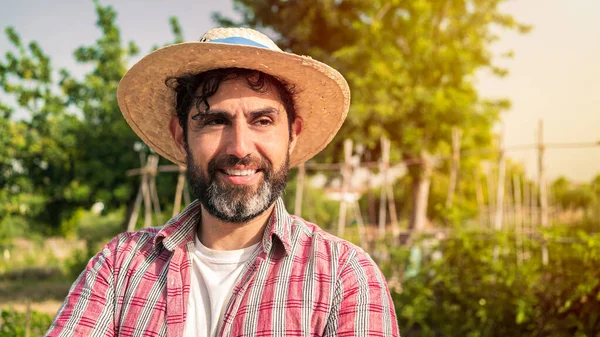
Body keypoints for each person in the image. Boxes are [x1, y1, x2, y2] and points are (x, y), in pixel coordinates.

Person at [46, 27, 400, 337]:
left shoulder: (344, 277)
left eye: (262, 120)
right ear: (181, 136)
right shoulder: (120, 267)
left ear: (292, 135)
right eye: (215, 121)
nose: (240, 148)